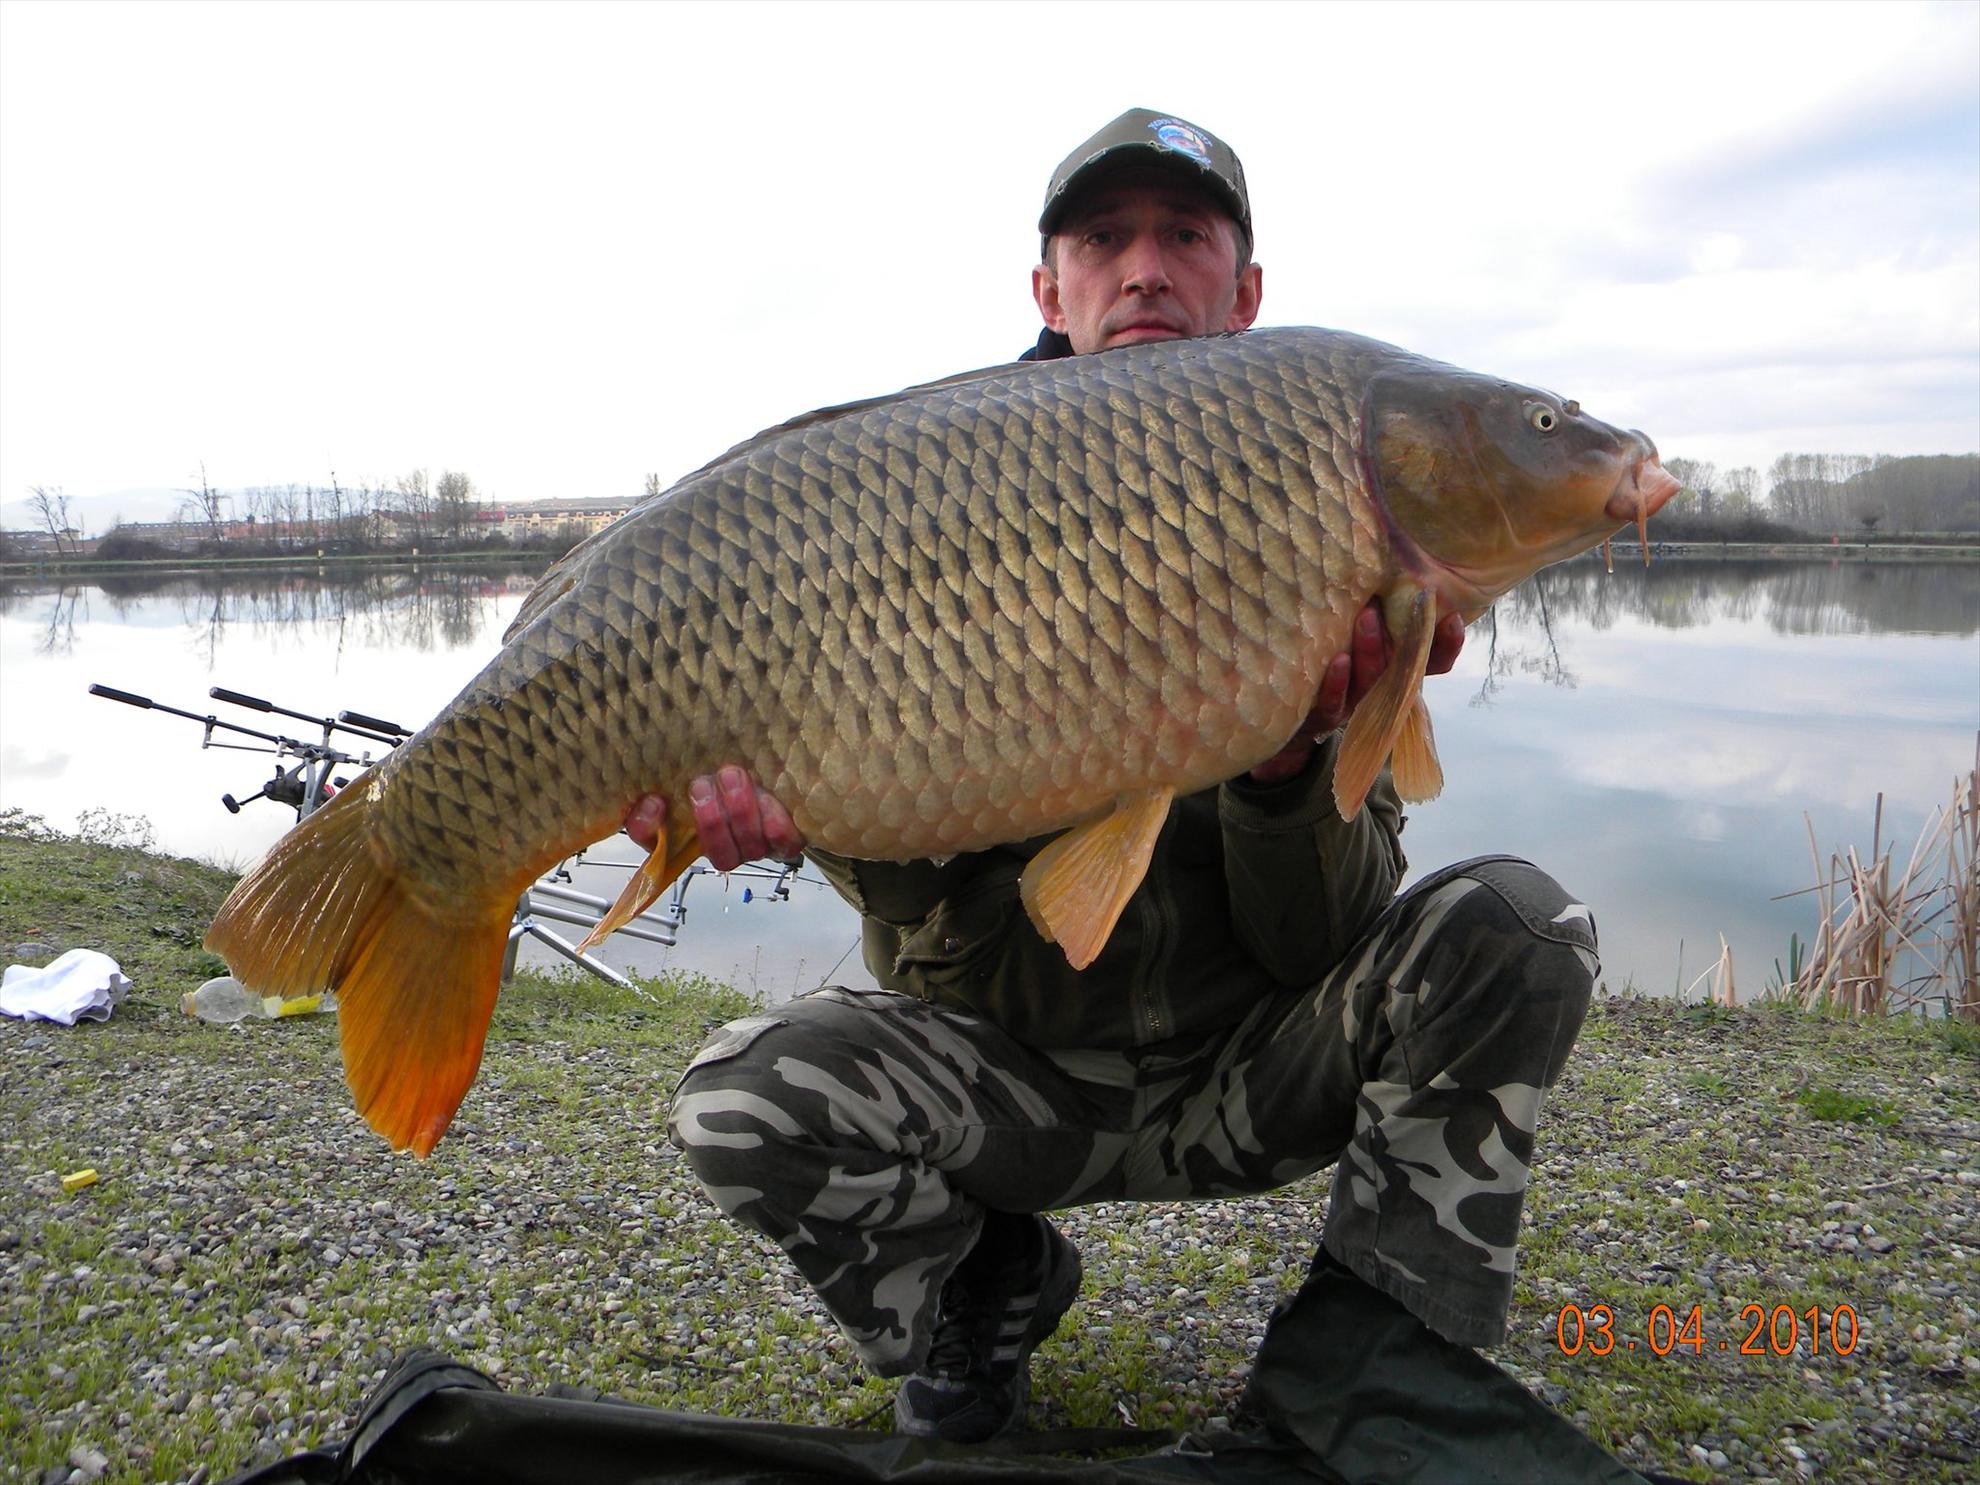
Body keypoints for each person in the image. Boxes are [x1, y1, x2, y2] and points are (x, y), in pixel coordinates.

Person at [636, 109, 1597, 1445]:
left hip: (1249, 1070)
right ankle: (989, 1283)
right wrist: (813, 825)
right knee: (743, 1097)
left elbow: (1322, 937)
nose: (1143, 267)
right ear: (1050, 286)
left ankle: (1384, 1356)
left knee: (1518, 921)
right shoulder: (937, 490)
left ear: (1243, 289)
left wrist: (1282, 764)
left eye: (1184, 235)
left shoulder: (1322, 493)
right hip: (1017, 1080)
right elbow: (924, 929)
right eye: (1104, 238)